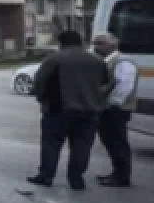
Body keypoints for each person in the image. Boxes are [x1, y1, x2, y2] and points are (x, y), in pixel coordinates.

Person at [28, 30, 110, 191]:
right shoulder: (97, 61)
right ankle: (76, 179)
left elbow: (39, 82)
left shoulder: (54, 59)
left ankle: (46, 176)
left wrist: (42, 99)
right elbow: (105, 83)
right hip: (89, 111)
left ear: (61, 43)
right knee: (82, 146)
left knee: (51, 144)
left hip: (58, 110)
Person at [92, 32, 138, 187]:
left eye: (99, 43)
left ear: (111, 45)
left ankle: (122, 176)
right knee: (110, 141)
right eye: (95, 43)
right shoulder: (107, 61)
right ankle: (116, 173)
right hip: (108, 108)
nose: (95, 46)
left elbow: (124, 85)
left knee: (118, 142)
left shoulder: (123, 61)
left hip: (116, 109)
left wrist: (113, 104)